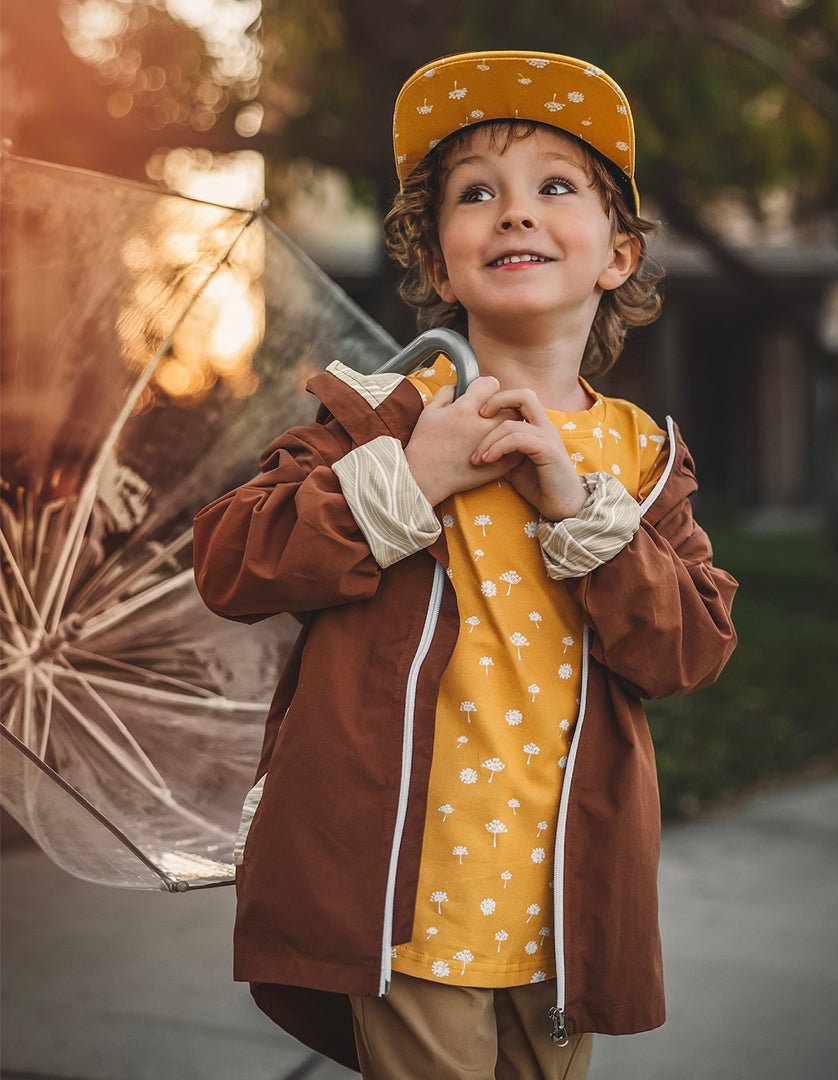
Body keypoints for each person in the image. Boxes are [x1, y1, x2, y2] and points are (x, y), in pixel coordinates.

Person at [193, 49, 737, 1080]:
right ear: (439, 266)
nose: (515, 213)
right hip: (405, 900)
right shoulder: (378, 417)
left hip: (565, 904)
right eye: (475, 193)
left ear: (617, 254)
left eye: (555, 187)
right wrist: (408, 472)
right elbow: (234, 559)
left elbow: (692, 650)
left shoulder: (643, 458)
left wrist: (581, 511)